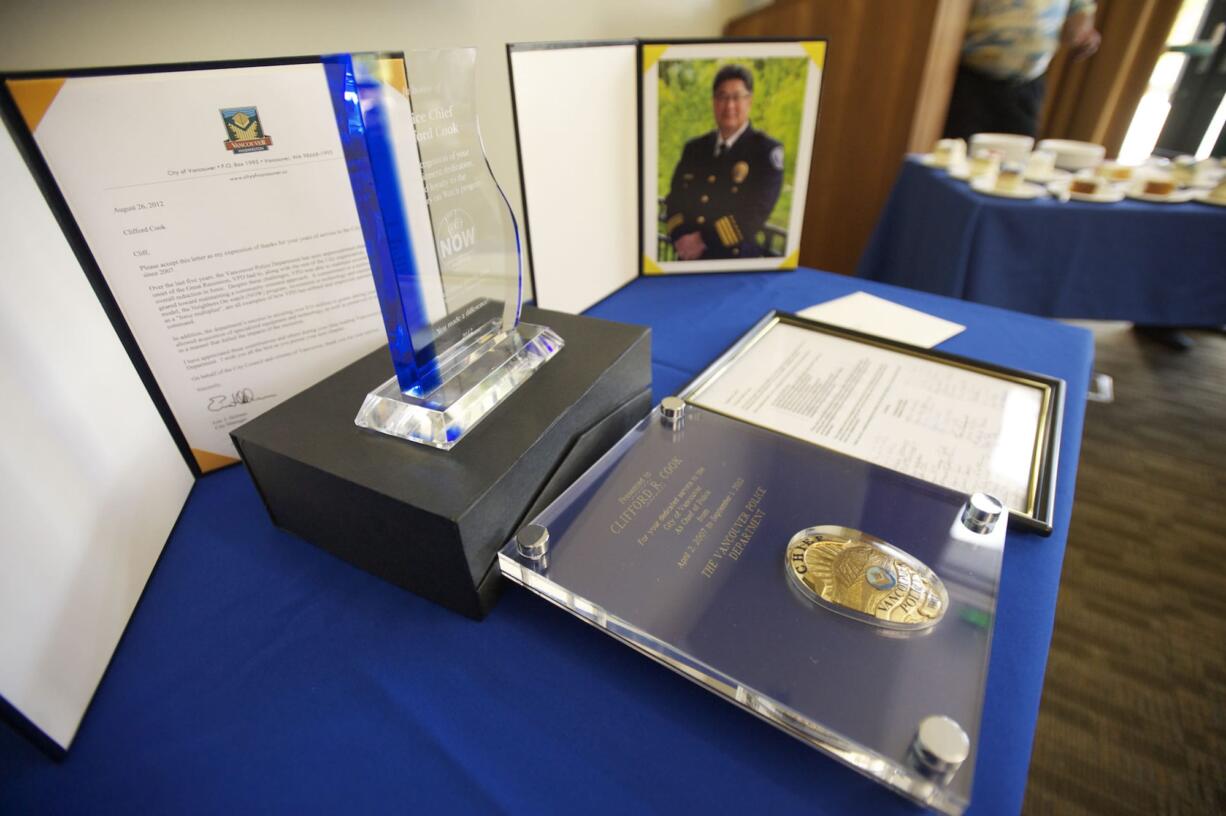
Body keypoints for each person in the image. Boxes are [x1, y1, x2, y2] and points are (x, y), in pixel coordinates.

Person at [664, 64, 784, 260]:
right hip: (688, 259)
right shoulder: (695, 148)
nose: (729, 106)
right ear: (713, 102)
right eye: (722, 97)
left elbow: (754, 213)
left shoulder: (765, 152)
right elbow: (674, 200)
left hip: (732, 261)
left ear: (749, 101)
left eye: (737, 97)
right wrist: (681, 237)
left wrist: (702, 241)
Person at [943, 0, 1101, 140]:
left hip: (1028, 84)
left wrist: (1082, 32)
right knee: (959, 154)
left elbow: (1080, 6)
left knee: (1015, 160)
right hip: (970, 77)